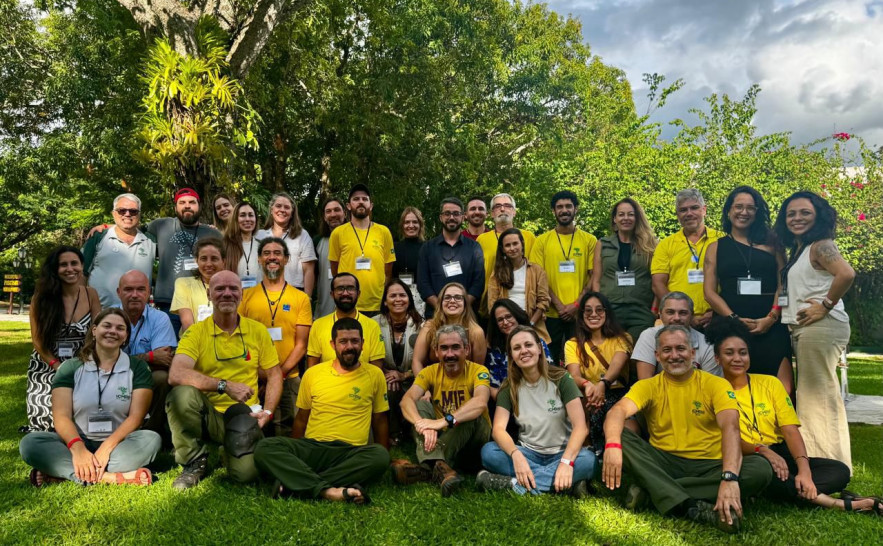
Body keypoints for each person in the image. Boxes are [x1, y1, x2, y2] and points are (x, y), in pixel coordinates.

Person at [601, 325, 773, 534]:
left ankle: (653, 490)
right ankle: (690, 506)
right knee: (618, 433)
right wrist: (612, 445)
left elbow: (730, 427)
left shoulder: (716, 384)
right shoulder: (648, 386)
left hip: (711, 464)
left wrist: (729, 477)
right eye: (667, 350)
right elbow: (617, 411)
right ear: (657, 356)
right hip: (663, 461)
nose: (674, 355)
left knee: (760, 469)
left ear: (692, 353)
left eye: (681, 348)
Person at [706, 318, 880, 515]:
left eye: (743, 352)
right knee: (764, 472)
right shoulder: (712, 390)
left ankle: (771, 491)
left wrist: (804, 471)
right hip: (749, 456)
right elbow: (726, 438)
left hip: (780, 451)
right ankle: (842, 504)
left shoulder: (770, 384)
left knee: (839, 471)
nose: (737, 358)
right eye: (729, 353)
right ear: (717, 358)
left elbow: (790, 430)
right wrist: (763, 451)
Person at [254, 317, 390, 504]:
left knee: (380, 456)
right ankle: (329, 490)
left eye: (355, 341)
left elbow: (380, 420)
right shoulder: (313, 374)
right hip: (313, 448)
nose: (349, 347)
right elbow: (301, 419)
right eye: (343, 341)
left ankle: (296, 485)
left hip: (350, 452)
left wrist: (387, 457)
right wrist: (296, 453)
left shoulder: (375, 375)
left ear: (363, 344)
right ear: (333, 344)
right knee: (264, 447)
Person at [166, 271, 282, 489]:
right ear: (209, 295)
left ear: (241, 294)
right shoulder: (196, 332)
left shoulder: (257, 330)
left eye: (233, 289)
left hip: (244, 414)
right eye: (219, 289)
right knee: (181, 394)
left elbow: (275, 374)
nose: (227, 294)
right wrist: (224, 385)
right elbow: (176, 374)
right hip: (209, 415)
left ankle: (227, 451)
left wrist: (267, 412)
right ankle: (193, 462)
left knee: (246, 476)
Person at [20, 308, 160, 487]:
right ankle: (109, 477)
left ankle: (65, 472)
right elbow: (61, 416)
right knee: (30, 443)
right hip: (78, 440)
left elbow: (136, 417)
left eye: (120, 328)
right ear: (94, 330)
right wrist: (78, 450)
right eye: (107, 326)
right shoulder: (70, 367)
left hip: (119, 443)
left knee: (151, 440)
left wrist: (106, 448)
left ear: (126, 336)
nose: (112, 331)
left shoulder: (138, 368)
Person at [774, 191, 856, 470]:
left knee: (816, 399)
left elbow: (846, 273)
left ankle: (827, 467)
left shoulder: (821, 245)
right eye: (791, 214)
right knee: (817, 396)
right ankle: (831, 465)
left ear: (818, 216)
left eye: (805, 213)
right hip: (806, 329)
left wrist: (825, 306)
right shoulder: (801, 249)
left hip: (819, 327)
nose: (796, 218)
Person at [478, 326, 595, 495]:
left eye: (528, 345)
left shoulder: (562, 378)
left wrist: (566, 462)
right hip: (528, 453)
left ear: (539, 348)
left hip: (562, 452)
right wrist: (516, 455)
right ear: (511, 355)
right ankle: (564, 485)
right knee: (489, 452)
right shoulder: (509, 387)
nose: (523, 351)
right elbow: (498, 429)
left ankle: (514, 484)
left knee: (589, 460)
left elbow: (580, 427)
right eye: (517, 348)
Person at [703, 186, 793, 393]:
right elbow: (709, 293)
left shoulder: (774, 245)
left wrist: (772, 317)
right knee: (735, 386)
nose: (744, 212)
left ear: (757, 212)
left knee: (782, 389)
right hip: (731, 325)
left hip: (771, 323)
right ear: (729, 210)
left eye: (750, 208)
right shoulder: (715, 247)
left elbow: (784, 285)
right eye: (738, 207)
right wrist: (734, 319)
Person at [393, 325, 492, 496]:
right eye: (444, 348)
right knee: (419, 406)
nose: (449, 354)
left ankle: (426, 467)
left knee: (469, 414)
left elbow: (480, 402)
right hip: (444, 436)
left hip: (472, 442)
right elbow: (406, 401)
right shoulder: (430, 372)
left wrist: (442, 422)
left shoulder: (478, 371)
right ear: (437, 352)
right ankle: (441, 468)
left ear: (467, 349)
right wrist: (422, 425)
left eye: (455, 347)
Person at [239, 238, 312, 437]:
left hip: (289, 376)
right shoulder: (246, 296)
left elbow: (301, 345)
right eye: (267, 253)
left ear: (286, 259)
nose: (272, 257)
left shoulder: (301, 298)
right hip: (252, 376)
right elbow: (240, 340)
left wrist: (277, 376)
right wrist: (263, 375)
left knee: (288, 431)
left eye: (277, 253)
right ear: (259, 259)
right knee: (252, 429)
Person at [26, 246, 101, 432]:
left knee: (84, 420)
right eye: (63, 265)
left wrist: (85, 363)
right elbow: (37, 340)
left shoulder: (90, 294)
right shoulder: (41, 298)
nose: (70, 269)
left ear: (82, 266)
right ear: (55, 269)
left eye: (74, 263)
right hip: (48, 362)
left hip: (82, 361)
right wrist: (57, 366)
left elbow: (97, 333)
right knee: (47, 423)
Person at [530, 190, 597, 363]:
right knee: (549, 360)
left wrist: (576, 305)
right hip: (550, 313)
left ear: (576, 209)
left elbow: (594, 276)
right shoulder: (541, 241)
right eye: (559, 207)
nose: (564, 210)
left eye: (568, 206)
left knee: (581, 359)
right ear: (553, 211)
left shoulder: (590, 240)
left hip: (580, 313)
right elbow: (537, 277)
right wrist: (559, 306)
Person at [145, 188, 223, 334]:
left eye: (192, 202)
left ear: (199, 206)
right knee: (168, 345)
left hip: (202, 301)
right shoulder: (161, 225)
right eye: (182, 202)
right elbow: (131, 228)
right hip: (168, 303)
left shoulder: (213, 233)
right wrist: (104, 227)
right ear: (175, 207)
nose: (187, 206)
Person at [564, 292, 632, 454]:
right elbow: (574, 376)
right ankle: (589, 450)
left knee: (629, 430)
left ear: (607, 312)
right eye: (588, 310)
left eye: (599, 310)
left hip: (617, 394)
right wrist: (588, 385)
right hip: (589, 398)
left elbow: (617, 364)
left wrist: (603, 384)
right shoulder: (572, 344)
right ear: (581, 315)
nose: (593, 314)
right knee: (580, 403)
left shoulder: (623, 338)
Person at [117, 270, 177, 442]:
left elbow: (163, 360)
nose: (135, 295)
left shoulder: (159, 318)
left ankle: (150, 434)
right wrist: (149, 357)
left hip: (146, 376)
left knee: (161, 378)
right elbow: (105, 361)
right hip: (113, 375)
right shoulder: (109, 317)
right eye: (128, 289)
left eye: (140, 289)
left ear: (149, 292)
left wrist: (126, 360)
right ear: (119, 292)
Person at [651, 188, 724, 330]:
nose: (689, 213)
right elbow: (657, 284)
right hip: (679, 321)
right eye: (683, 210)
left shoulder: (722, 239)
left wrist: (717, 312)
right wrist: (682, 315)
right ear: (677, 214)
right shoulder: (666, 245)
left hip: (717, 317)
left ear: (704, 210)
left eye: (694, 208)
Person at [590, 198, 657, 343]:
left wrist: (654, 310)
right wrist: (600, 307)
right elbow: (596, 280)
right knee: (612, 351)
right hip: (611, 310)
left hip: (641, 311)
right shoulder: (603, 244)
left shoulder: (651, 245)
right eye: (621, 214)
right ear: (615, 219)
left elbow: (657, 280)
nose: (626, 218)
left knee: (638, 352)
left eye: (630, 214)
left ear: (637, 217)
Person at [329, 184, 395, 315]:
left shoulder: (383, 232)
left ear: (371, 205)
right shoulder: (338, 233)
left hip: (377, 304)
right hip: (348, 303)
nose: (361, 202)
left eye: (365, 199)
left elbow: (388, 271)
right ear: (348, 206)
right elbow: (335, 269)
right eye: (356, 199)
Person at [83, 193, 156, 308]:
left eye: (133, 211)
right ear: (113, 213)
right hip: (101, 312)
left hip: (139, 313)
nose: (127, 214)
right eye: (122, 210)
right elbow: (81, 274)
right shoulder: (98, 237)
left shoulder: (151, 240)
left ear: (139, 214)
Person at [372, 279, 423, 444]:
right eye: (393, 296)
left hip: (414, 377)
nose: (398, 299)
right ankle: (394, 432)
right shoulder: (373, 324)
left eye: (402, 295)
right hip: (385, 376)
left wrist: (404, 375)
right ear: (385, 302)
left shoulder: (421, 325)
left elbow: (427, 362)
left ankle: (411, 429)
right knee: (390, 386)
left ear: (409, 299)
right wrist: (387, 374)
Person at [417, 197, 485, 319]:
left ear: (463, 217)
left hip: (466, 316)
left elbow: (478, 283)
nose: (452, 217)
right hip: (435, 316)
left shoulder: (474, 247)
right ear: (440, 217)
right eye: (447, 213)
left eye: (456, 213)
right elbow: (423, 284)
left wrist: (460, 308)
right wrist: (442, 308)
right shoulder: (427, 248)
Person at [633, 291, 719, 379]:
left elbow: (710, 384)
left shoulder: (707, 345)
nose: (676, 318)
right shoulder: (649, 336)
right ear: (660, 314)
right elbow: (645, 380)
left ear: (692, 316)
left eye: (683, 313)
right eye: (670, 312)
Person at [306, 273, 385, 368]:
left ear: (358, 293)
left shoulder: (372, 326)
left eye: (350, 288)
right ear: (332, 294)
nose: (345, 293)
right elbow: (312, 368)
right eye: (340, 289)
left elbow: (376, 370)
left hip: (364, 377)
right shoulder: (318, 325)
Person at [487, 227, 551, 342]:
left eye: (515, 243)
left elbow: (544, 301)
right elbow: (492, 305)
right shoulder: (497, 274)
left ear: (522, 244)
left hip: (533, 325)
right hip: (505, 327)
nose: (512, 248)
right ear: (503, 249)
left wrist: (530, 324)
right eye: (508, 245)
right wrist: (506, 324)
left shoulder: (537, 270)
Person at [411, 282, 487, 374]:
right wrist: (422, 382)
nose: (452, 301)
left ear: (465, 303)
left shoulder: (476, 332)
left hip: (465, 381)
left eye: (458, 297)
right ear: (440, 303)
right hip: (431, 380)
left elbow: (478, 369)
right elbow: (417, 361)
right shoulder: (429, 327)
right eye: (447, 297)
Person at [485, 299, 554, 398]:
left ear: (517, 316)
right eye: (500, 320)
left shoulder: (537, 342)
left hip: (542, 396)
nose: (505, 322)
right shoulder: (495, 351)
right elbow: (493, 388)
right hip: (511, 400)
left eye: (508, 316)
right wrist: (509, 402)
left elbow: (550, 374)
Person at [477, 193, 537, 302]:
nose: (502, 209)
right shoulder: (482, 239)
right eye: (497, 206)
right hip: (492, 300)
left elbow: (535, 271)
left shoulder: (528, 237)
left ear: (514, 212)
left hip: (523, 300)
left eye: (507, 206)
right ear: (492, 213)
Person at [256, 192, 317, 294]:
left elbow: (309, 270)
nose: (282, 210)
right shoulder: (259, 236)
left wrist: (307, 298)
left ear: (292, 213)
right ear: (271, 210)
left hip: (294, 292)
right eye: (278, 206)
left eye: (287, 207)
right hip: (263, 292)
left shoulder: (302, 235)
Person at [170, 237, 225, 334]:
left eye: (214, 259)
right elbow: (188, 325)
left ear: (223, 261)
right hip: (194, 340)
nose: (209, 264)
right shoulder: (183, 284)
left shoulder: (231, 287)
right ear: (196, 261)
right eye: (203, 259)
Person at [313, 197, 347, 318]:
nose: (333, 214)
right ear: (324, 216)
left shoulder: (356, 238)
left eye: (337, 210)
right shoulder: (318, 241)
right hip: (325, 305)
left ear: (345, 213)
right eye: (328, 211)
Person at [392, 206, 426, 316]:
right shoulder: (394, 248)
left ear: (420, 224)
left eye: (415, 222)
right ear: (402, 225)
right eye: (407, 222)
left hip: (422, 300)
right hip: (398, 298)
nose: (411, 225)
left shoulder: (428, 248)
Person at [223, 202, 262, 289]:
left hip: (258, 294)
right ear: (235, 219)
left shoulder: (261, 246)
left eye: (251, 215)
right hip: (234, 294)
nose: (247, 219)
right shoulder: (225, 245)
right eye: (243, 215)